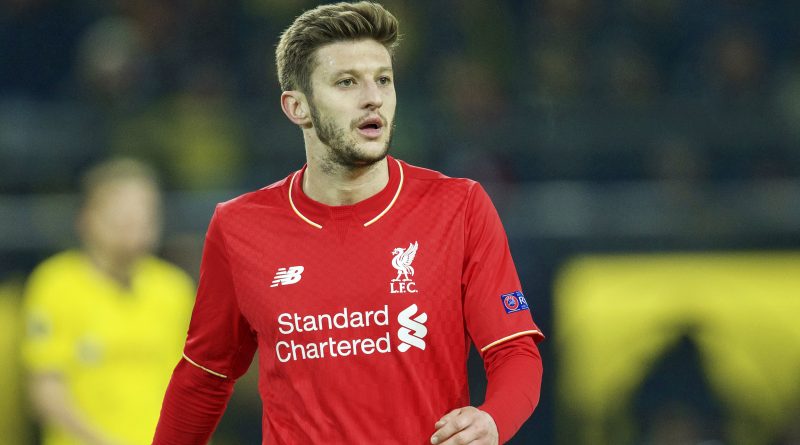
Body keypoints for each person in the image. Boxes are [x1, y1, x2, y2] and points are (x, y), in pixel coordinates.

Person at [153, 2, 544, 444]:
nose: (373, 97)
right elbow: (204, 377)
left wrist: (494, 419)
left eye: (383, 79)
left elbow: (514, 351)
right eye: (346, 82)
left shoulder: (460, 206)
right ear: (297, 107)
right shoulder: (238, 226)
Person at [21, 158, 195, 445]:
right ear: (87, 217)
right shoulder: (55, 284)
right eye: (121, 214)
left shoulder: (174, 289)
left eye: (146, 213)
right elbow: (45, 389)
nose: (135, 224)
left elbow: (193, 386)